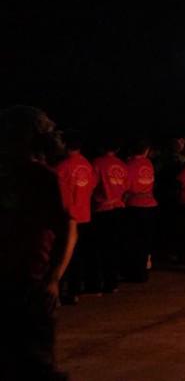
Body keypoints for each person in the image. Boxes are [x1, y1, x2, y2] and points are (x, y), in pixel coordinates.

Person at [0, 105, 76, 380]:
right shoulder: (5, 174)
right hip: (5, 278)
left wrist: (54, 278)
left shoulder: (45, 177)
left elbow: (69, 229)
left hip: (32, 281)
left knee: (35, 359)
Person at [55, 129, 97, 303]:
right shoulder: (86, 164)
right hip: (85, 214)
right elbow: (92, 186)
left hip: (68, 217)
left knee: (64, 255)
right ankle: (75, 289)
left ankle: (63, 291)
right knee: (79, 255)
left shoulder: (62, 167)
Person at [91, 139, 128, 292]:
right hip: (119, 208)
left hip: (102, 210)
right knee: (113, 246)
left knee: (100, 247)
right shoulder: (122, 165)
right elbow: (126, 186)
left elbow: (91, 185)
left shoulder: (97, 163)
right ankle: (112, 281)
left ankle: (101, 282)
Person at [121, 137, 157, 283]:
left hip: (135, 204)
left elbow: (125, 187)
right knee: (144, 240)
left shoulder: (128, 166)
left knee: (133, 241)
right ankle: (142, 270)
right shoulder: (148, 163)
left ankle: (133, 272)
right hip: (149, 204)